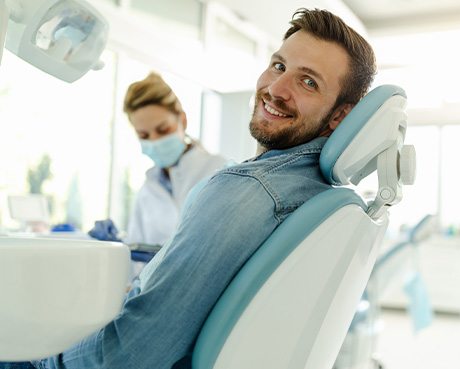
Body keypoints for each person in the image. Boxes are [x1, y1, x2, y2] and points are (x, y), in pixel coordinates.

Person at [0, 8, 376, 369]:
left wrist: (33, 359)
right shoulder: (311, 193)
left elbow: (130, 354)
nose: (276, 88)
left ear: (339, 116)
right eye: (279, 66)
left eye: (308, 81)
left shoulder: (247, 189)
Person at [88, 72, 227, 246]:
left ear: (182, 121)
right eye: (144, 135)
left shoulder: (219, 171)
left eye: (163, 130)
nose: (154, 141)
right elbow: (136, 258)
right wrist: (116, 247)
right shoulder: (147, 190)